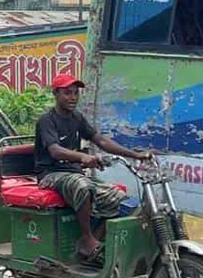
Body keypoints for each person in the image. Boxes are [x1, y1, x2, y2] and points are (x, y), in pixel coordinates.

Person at [34, 73, 152, 264]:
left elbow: (101, 140)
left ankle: (94, 243)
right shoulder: (47, 120)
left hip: (73, 174)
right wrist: (83, 157)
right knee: (83, 186)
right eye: (67, 93)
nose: (73, 97)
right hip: (50, 175)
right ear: (55, 94)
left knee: (122, 201)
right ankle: (87, 238)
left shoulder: (77, 118)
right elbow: (55, 151)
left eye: (75, 93)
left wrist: (135, 155)